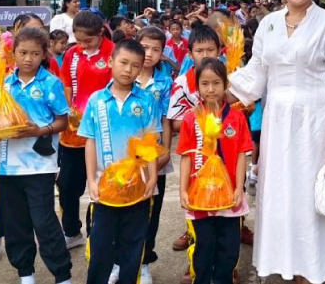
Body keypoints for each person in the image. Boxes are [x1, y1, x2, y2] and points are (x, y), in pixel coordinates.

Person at [228, 0, 325, 284]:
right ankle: (288, 265)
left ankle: (311, 272)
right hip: (277, 124)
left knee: (311, 197)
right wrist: (212, 93)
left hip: (316, 123)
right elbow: (256, 73)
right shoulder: (269, 24)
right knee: (282, 195)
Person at [0, 27, 72, 284]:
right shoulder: (4, 84)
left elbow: (63, 121)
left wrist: (39, 130)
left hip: (40, 166)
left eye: (35, 54)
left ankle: (62, 275)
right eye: (23, 53)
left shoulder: (51, 83)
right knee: (15, 223)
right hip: (7, 168)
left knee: (44, 222)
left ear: (44, 54)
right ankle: (26, 274)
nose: (28, 59)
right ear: (13, 53)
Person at [80, 40, 161, 284]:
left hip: (137, 188)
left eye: (135, 66)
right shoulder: (96, 100)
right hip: (105, 189)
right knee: (100, 245)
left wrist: (153, 177)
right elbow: (90, 142)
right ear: (111, 62)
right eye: (123, 63)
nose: (128, 70)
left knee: (134, 244)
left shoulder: (146, 100)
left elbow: (150, 142)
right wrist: (91, 180)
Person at [177, 58, 253, 284]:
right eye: (205, 83)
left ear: (226, 85)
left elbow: (242, 155)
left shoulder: (236, 117)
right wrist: (183, 190)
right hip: (200, 197)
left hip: (229, 197)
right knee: (203, 246)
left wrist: (239, 188)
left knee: (229, 248)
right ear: (197, 86)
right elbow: (186, 156)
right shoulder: (191, 118)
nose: (211, 89)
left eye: (216, 83)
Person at [58, 10, 115, 249]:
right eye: (78, 40)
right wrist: (68, 109)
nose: (82, 45)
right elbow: (67, 84)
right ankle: (72, 231)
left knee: (100, 184)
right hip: (73, 132)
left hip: (103, 131)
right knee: (67, 184)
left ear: (101, 33)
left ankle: (96, 235)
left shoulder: (113, 53)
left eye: (88, 40)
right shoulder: (72, 53)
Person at [167, 25, 224, 253]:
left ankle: (236, 231)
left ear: (219, 51)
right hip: (197, 151)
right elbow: (175, 122)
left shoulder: (228, 78)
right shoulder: (182, 83)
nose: (205, 55)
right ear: (190, 53)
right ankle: (193, 238)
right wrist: (202, 120)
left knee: (229, 187)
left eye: (210, 50)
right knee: (196, 192)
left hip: (224, 148)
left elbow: (239, 114)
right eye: (199, 51)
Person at [135, 27, 175, 284]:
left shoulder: (164, 82)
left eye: (156, 49)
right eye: (144, 47)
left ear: (163, 52)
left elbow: (166, 119)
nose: (149, 54)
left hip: (155, 156)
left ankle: (144, 261)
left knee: (152, 209)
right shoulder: (123, 75)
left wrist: (166, 151)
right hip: (125, 155)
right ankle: (121, 260)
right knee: (125, 207)